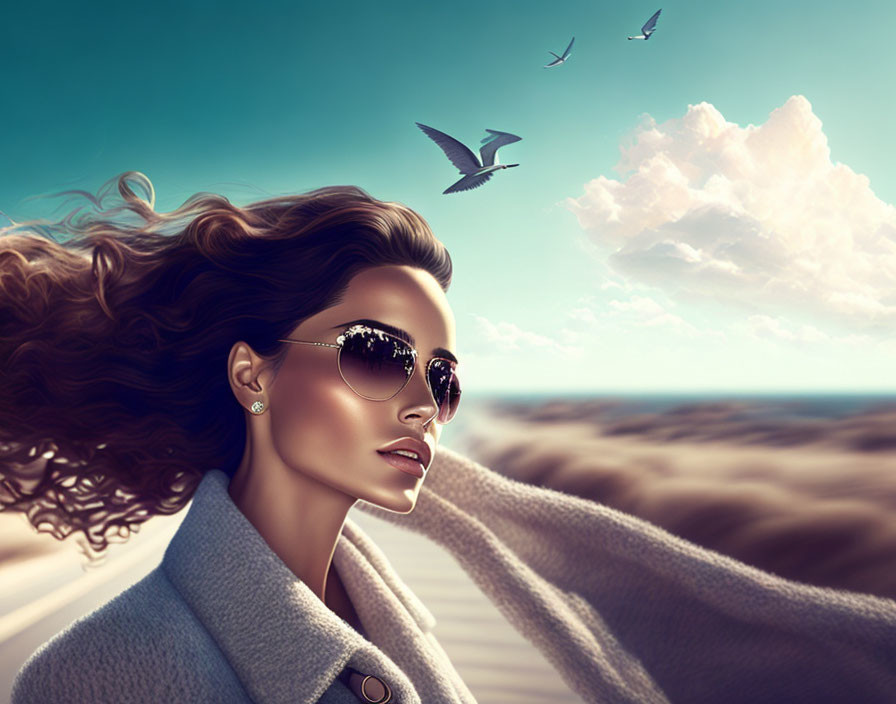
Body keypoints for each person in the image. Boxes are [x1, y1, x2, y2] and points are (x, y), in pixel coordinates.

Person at [5, 174, 896, 704]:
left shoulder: (388, 620)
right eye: (379, 354)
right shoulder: (98, 677)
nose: (426, 403)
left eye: (443, 375)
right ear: (252, 376)